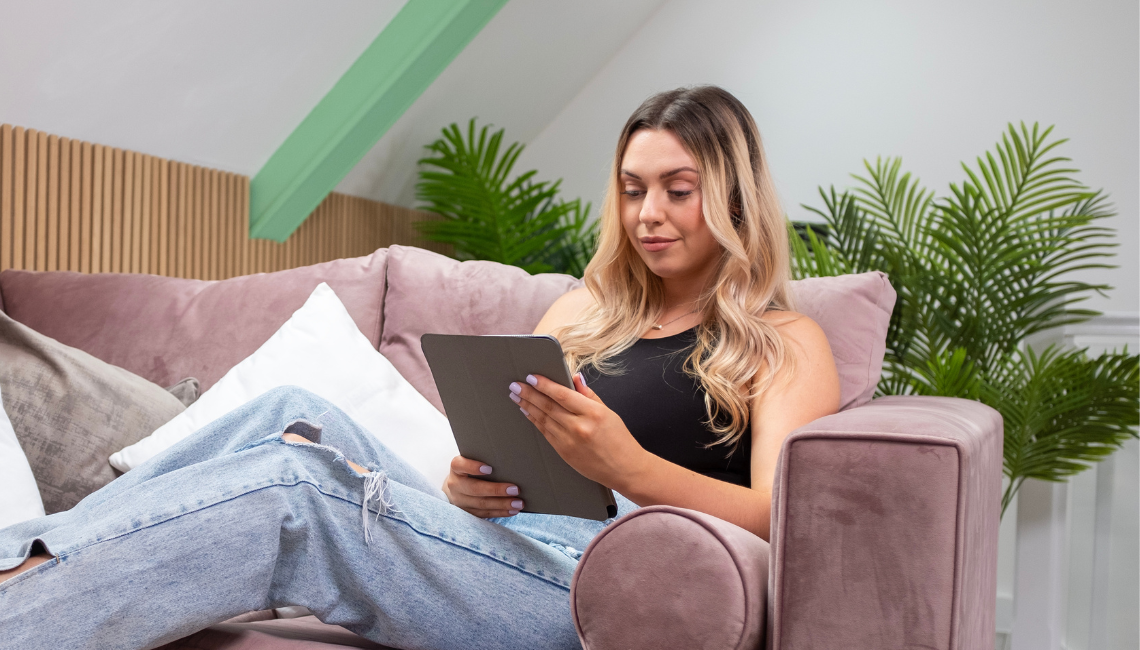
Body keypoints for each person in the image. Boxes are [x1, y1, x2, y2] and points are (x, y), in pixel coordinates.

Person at [0, 85, 839, 650]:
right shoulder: (581, 315)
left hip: (592, 584)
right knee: (291, 408)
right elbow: (500, 469)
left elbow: (782, 521)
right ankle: (26, 560)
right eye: (632, 188)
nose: (649, 213)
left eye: (678, 188)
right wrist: (468, 483)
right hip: (502, 538)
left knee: (299, 483)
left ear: (732, 195)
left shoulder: (783, 342)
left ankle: (24, 600)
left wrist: (630, 468)